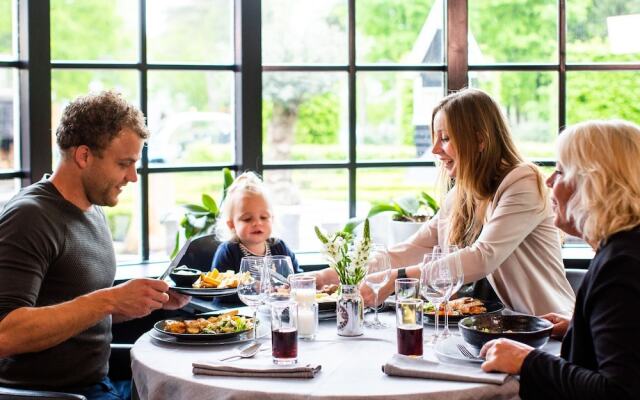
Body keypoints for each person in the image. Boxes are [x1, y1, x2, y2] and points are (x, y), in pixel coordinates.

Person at [314, 88, 574, 315]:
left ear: (480, 140)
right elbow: (411, 249)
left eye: (446, 138)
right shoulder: (461, 193)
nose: (436, 149)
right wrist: (337, 273)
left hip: (549, 331)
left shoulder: (522, 181)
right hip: (499, 331)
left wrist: (397, 279)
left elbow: (483, 257)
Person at [0, 91, 190, 399]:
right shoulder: (30, 217)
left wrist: (140, 300)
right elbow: (5, 333)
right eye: (123, 164)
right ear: (84, 156)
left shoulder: (92, 206)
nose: (132, 177)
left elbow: (76, 313)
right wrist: (108, 300)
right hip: (51, 395)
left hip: (100, 385)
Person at [480, 120, 640, 398]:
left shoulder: (621, 265)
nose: (548, 181)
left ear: (594, 184)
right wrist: (578, 330)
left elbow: (619, 392)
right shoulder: (626, 248)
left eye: (561, 171)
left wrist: (526, 361)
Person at [212, 171, 300, 273]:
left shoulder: (280, 248)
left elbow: (297, 279)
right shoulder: (228, 252)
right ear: (231, 224)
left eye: (263, 217)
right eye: (247, 219)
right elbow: (219, 285)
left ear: (272, 218)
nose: (257, 223)